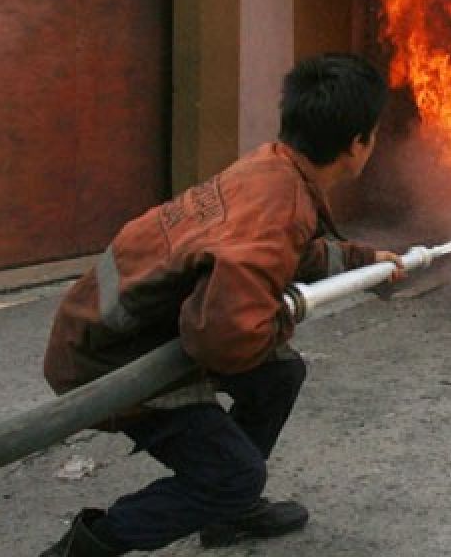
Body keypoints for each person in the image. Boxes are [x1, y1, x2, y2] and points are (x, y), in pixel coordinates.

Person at [39, 54, 404, 556]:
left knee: (279, 375)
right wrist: (284, 315)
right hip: (109, 362)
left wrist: (363, 261)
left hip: (109, 330)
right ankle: (86, 548)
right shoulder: (279, 204)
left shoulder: (271, 167)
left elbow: (278, 251)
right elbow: (224, 339)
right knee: (235, 474)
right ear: (357, 142)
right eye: (375, 135)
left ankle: (229, 513)